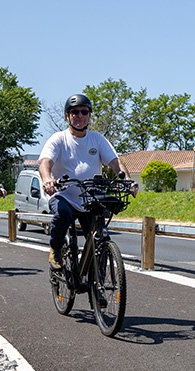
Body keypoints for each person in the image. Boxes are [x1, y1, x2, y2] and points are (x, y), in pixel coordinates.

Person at [38, 93, 134, 270]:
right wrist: (47, 178)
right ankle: (56, 249)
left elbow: (115, 161)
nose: (79, 116)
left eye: (84, 112)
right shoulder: (58, 139)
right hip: (63, 195)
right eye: (74, 112)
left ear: (89, 115)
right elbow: (45, 162)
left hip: (90, 196)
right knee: (63, 215)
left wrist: (127, 179)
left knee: (101, 237)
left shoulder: (97, 139)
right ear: (67, 115)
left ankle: (97, 286)